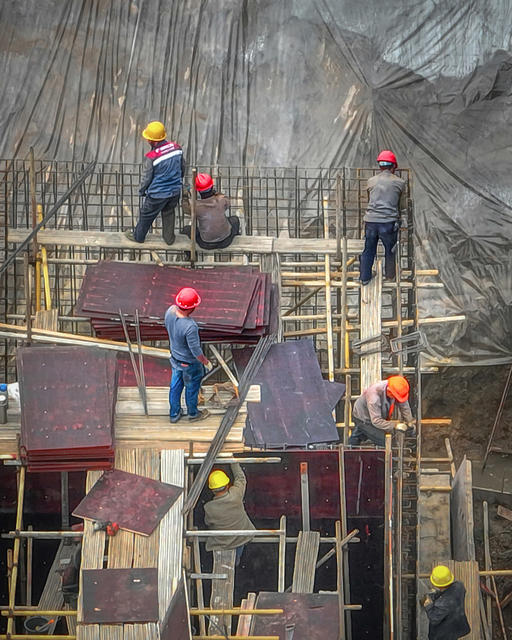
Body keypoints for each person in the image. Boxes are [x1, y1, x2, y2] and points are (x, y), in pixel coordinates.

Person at [125, 121, 185, 245]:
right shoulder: (177, 148)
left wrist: (142, 191)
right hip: (174, 192)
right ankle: (169, 238)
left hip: (157, 194)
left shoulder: (152, 156)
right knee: (169, 212)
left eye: (149, 139)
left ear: (154, 141)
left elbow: (146, 178)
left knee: (146, 215)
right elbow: (182, 167)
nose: (147, 141)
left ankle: (138, 236)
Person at [164, 287, 211, 423]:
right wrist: (205, 362)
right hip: (189, 363)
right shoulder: (190, 327)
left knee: (175, 386)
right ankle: (193, 413)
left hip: (175, 359)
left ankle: (174, 414)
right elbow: (196, 350)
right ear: (192, 308)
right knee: (192, 387)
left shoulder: (170, 312)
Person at [359, 150, 406, 285]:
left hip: (371, 222)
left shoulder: (371, 181)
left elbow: (369, 201)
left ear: (380, 166)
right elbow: (401, 205)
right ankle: (390, 276)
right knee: (390, 250)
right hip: (388, 223)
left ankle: (365, 277)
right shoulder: (400, 183)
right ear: (393, 167)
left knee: (369, 250)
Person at [204, 463, 255, 567]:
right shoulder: (235, 495)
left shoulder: (209, 508)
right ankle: (237, 566)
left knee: (223, 567)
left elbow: (208, 523)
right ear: (228, 485)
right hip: (241, 539)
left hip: (220, 545)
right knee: (235, 565)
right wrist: (233, 461)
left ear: (212, 490)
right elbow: (240, 478)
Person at [348, 375, 415, 447]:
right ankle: (351, 451)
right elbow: (376, 421)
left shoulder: (394, 387)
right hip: (363, 418)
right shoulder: (374, 397)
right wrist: (395, 425)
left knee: (359, 434)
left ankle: (352, 445)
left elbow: (404, 405)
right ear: (389, 391)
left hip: (374, 415)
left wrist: (409, 421)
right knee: (384, 441)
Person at [182, 173, 241, 250]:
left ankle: (191, 256)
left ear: (198, 190)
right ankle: (236, 235)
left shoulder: (196, 206)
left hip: (206, 244)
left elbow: (185, 209)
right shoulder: (221, 200)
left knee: (187, 229)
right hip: (226, 241)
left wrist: (185, 197)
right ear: (212, 187)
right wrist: (215, 194)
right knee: (235, 219)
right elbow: (227, 203)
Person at [422, 565, 471, 640]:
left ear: (437, 584)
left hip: (445, 634)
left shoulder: (442, 604)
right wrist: (437, 594)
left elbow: (434, 618)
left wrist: (428, 606)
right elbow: (448, 593)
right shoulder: (459, 586)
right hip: (456, 625)